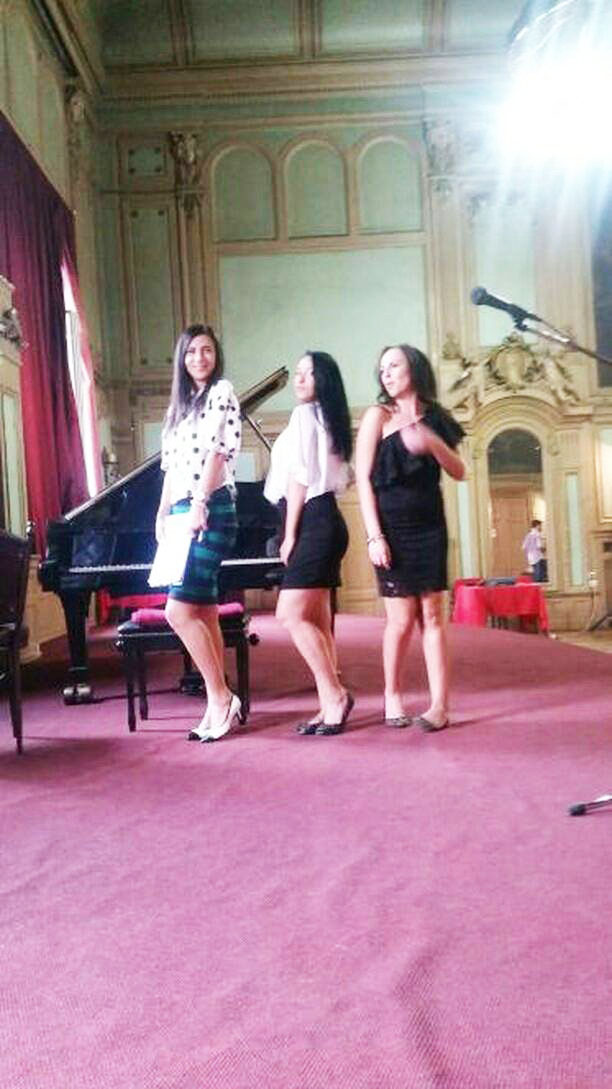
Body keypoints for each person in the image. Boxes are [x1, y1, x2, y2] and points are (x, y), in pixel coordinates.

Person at [355, 344, 465, 731]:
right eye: (382, 368)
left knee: (433, 616)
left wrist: (432, 442)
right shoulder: (378, 415)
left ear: (413, 369)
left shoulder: (436, 418)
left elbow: (460, 471)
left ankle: (440, 706)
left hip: (431, 528)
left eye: (394, 366)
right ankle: (392, 694)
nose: (385, 373)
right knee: (400, 619)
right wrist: (374, 536)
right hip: (391, 531)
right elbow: (363, 480)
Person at [155, 323, 243, 742]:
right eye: (191, 352)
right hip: (180, 511)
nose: (199, 358)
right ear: (181, 358)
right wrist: (161, 513)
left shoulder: (221, 392)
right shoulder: (178, 407)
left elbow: (216, 453)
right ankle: (215, 701)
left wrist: (200, 504)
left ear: (216, 355)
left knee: (177, 611)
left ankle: (222, 696)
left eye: (206, 350)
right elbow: (171, 468)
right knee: (204, 609)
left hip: (212, 508)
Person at [264, 351, 354, 735]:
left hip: (313, 521)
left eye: (308, 373)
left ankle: (335, 696)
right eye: (297, 372)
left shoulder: (304, 416)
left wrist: (289, 535)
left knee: (290, 614)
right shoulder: (330, 418)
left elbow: (299, 479)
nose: (299, 379)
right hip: (329, 519)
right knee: (317, 619)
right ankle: (328, 702)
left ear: (324, 380)